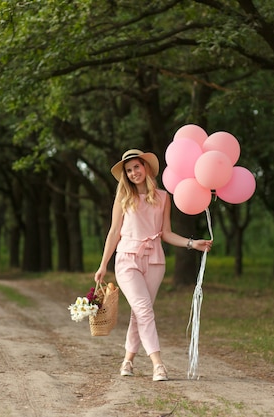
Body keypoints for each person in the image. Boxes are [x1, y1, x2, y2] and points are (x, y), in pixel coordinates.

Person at [94, 149, 213, 382]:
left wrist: (192, 243)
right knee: (144, 310)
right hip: (127, 259)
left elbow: (166, 233)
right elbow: (114, 232)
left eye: (136, 167)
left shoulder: (163, 197)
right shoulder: (123, 198)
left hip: (155, 260)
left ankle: (127, 361)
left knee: (140, 313)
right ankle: (158, 364)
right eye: (128, 171)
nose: (133, 173)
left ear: (146, 168)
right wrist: (103, 265)